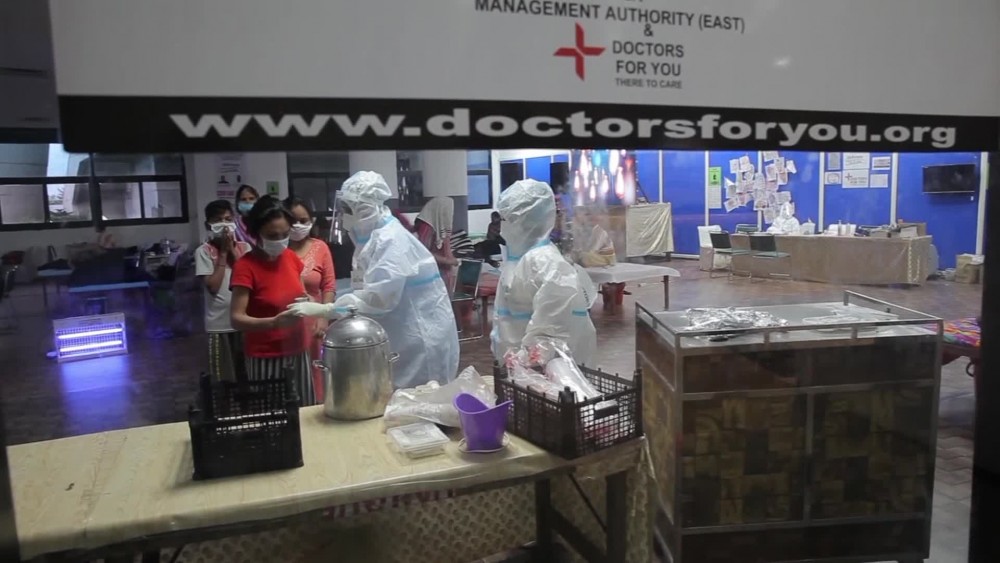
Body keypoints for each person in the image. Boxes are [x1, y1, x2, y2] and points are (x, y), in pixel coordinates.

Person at [287, 171, 460, 389]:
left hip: (419, 339)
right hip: (401, 333)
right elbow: (366, 286)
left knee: (418, 400)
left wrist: (327, 309)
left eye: (348, 209)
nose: (344, 216)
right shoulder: (372, 237)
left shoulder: (391, 240)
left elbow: (379, 299)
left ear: (364, 208)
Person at [491, 180, 597, 366]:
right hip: (520, 370)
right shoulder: (520, 260)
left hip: (547, 372)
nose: (501, 228)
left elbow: (549, 336)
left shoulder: (546, 263)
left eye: (505, 220)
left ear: (521, 221)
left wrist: (523, 364)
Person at [230, 196, 316, 404]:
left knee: (305, 410)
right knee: (274, 414)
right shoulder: (246, 266)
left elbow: (302, 294)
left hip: (298, 349)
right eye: (272, 235)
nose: (280, 240)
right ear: (256, 233)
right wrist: (273, 322)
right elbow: (236, 319)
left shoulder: (290, 257)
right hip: (266, 355)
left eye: (285, 234)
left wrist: (310, 302)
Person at [194, 200, 252, 382]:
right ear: (208, 225)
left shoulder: (245, 248)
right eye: (218, 220)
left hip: (245, 321)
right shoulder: (204, 251)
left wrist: (232, 251)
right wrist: (224, 254)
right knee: (223, 378)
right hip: (219, 325)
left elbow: (248, 277)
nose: (225, 225)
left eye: (228, 219)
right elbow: (212, 286)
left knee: (247, 374)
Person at [284, 196, 336, 398]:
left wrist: (324, 317)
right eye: (292, 220)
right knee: (290, 374)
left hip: (314, 323)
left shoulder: (320, 247)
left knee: (316, 372)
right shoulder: (278, 249)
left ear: (311, 221)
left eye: (303, 220)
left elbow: (329, 286)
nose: (298, 225)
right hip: (285, 320)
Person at [414, 196, 460, 292]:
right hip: (431, 277)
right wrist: (446, 260)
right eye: (447, 212)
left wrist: (454, 261)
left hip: (442, 275)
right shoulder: (426, 228)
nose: (449, 215)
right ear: (440, 211)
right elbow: (423, 253)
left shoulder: (441, 226)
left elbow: (446, 247)